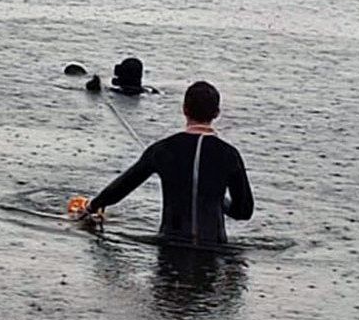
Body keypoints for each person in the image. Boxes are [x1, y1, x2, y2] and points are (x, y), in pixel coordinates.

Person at [80, 81, 253, 246]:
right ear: (216, 113)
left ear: (184, 109)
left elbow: (121, 188)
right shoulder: (230, 155)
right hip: (214, 246)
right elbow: (244, 211)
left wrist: (92, 206)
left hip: (169, 243)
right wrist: (218, 200)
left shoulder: (162, 149)